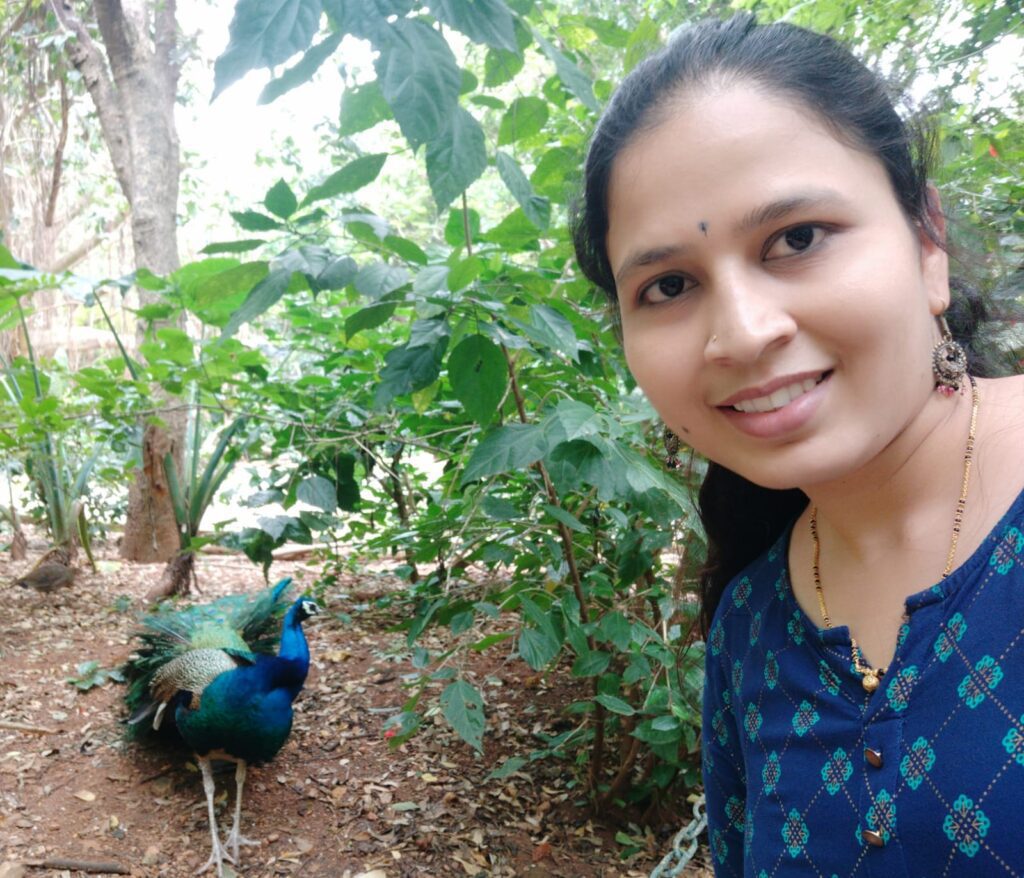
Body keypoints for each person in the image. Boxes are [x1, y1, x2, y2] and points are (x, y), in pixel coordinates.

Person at [572, 12, 1024, 876]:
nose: (741, 334)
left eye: (797, 239)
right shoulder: (751, 624)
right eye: (669, 285)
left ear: (926, 243)